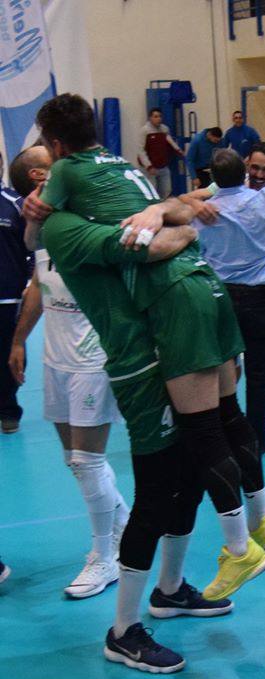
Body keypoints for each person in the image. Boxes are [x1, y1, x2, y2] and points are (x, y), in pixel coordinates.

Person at [31, 94, 265, 601]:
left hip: (160, 325)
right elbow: (184, 209)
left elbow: (151, 242)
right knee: (221, 426)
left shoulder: (66, 209)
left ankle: (229, 551)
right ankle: (250, 529)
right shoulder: (120, 170)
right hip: (210, 290)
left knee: (177, 459)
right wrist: (175, 218)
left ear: (57, 150)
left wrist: (172, 227)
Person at [8, 146, 131, 599]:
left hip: (93, 358)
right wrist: (19, 340)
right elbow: (38, 284)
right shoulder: (44, 229)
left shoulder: (95, 217)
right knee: (74, 461)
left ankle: (105, 558)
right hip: (55, 357)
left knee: (86, 460)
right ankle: (123, 524)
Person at [182, 141, 265, 452]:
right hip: (250, 294)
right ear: (245, 166)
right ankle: (243, 433)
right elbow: (189, 198)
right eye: (254, 168)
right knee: (233, 365)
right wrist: (193, 202)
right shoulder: (264, 197)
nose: (259, 174)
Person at [0, 149, 32, 436]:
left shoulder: (16, 204)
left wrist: (30, 280)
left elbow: (31, 246)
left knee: (9, 355)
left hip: (8, 298)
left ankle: (8, 409)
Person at [138, 108, 185, 200]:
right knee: (151, 193)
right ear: (150, 118)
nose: (158, 119)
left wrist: (179, 150)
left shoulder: (164, 129)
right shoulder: (144, 130)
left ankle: (163, 208)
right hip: (149, 168)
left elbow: (170, 142)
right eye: (155, 117)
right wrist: (149, 166)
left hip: (163, 166)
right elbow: (141, 151)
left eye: (160, 116)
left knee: (166, 190)